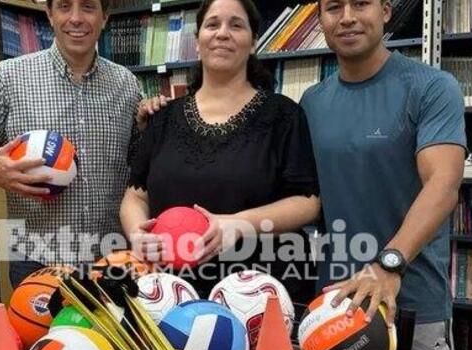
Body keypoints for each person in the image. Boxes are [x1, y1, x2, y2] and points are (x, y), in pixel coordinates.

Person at [299, 0, 467, 350]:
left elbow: (443, 184)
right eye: (333, 8)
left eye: (360, 4)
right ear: (321, 20)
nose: (347, 18)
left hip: (411, 303)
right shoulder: (312, 101)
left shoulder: (432, 87)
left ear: (386, 11)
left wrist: (388, 264)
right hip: (334, 303)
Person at [120, 0, 321, 302]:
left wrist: (240, 224)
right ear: (198, 42)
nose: (222, 33)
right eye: (212, 24)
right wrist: (137, 234)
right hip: (171, 294)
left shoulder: (284, 115)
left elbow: (308, 202)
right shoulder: (164, 117)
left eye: (236, 25)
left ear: (253, 42)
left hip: (258, 294)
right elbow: (135, 195)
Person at [0, 0, 141, 288]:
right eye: (65, 6)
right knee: (41, 337)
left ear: (104, 17)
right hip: (37, 259)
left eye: (88, 7)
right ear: (50, 15)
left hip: (111, 259)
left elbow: (141, 166)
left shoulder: (127, 83)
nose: (76, 18)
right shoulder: (10, 76)